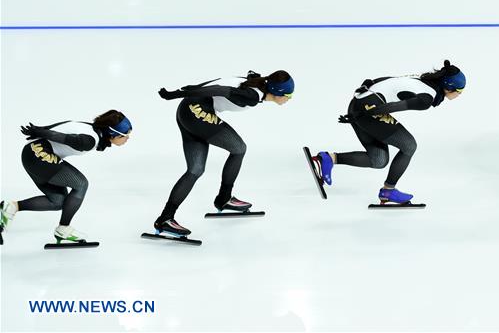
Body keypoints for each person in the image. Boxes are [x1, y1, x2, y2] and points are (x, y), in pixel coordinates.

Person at [152, 70, 293, 237]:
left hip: (186, 110)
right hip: (196, 110)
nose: (289, 99)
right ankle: (224, 198)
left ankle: (165, 218)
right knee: (239, 148)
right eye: (289, 96)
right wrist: (178, 93)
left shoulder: (256, 81)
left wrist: (186, 93)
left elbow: (228, 83)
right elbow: (219, 90)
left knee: (195, 170)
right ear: (278, 93)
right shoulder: (251, 95)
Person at [311, 60, 464, 205]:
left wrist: (360, 99)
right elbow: (395, 106)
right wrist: (362, 114)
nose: (460, 95)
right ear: (449, 87)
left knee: (378, 160)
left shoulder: (423, 80)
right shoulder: (426, 98)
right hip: (368, 109)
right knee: (409, 146)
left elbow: (383, 80)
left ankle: (328, 159)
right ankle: (388, 191)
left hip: (360, 101)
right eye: (460, 91)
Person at [0, 110, 132, 244]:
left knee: (57, 201)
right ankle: (63, 229)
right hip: (38, 155)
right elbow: (63, 138)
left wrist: (40, 130)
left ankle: (11, 207)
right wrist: (40, 132)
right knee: (81, 184)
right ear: (112, 134)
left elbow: (61, 127)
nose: (128, 138)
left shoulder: (89, 128)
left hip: (32, 155)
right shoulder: (90, 140)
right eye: (125, 135)